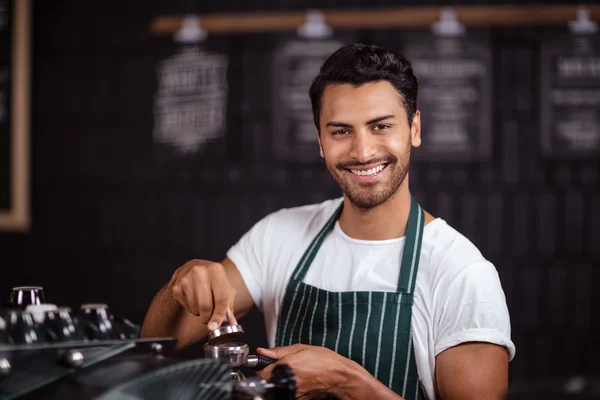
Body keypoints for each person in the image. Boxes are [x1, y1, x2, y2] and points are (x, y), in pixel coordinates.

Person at [141, 43, 515, 400]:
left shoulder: (461, 273)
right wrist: (181, 281)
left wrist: (343, 381)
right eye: (340, 131)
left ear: (414, 129)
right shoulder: (279, 236)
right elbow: (159, 345)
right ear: (320, 141)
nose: (362, 151)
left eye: (381, 126)